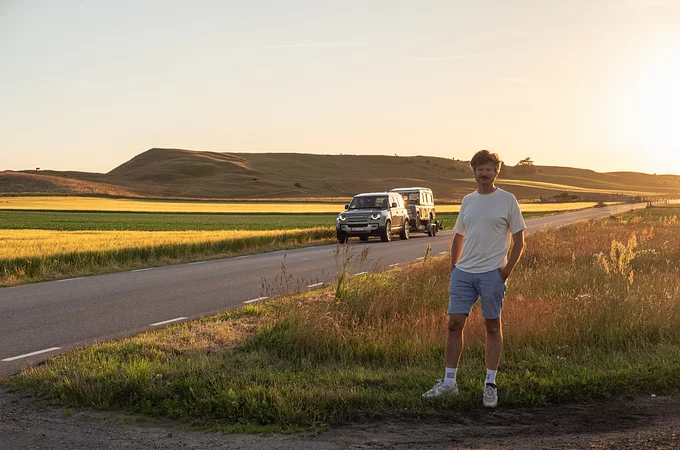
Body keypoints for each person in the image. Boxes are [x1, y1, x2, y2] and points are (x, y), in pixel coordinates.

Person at [422, 150, 526, 408]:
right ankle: (449, 383)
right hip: (464, 273)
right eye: (479, 169)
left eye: (488, 168)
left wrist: (505, 272)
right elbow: (458, 236)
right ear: (474, 172)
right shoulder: (468, 201)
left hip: (492, 273)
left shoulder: (508, 200)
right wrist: (454, 268)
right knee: (454, 325)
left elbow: (520, 240)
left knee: (492, 327)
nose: (484, 173)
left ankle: (490, 384)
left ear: (496, 171)